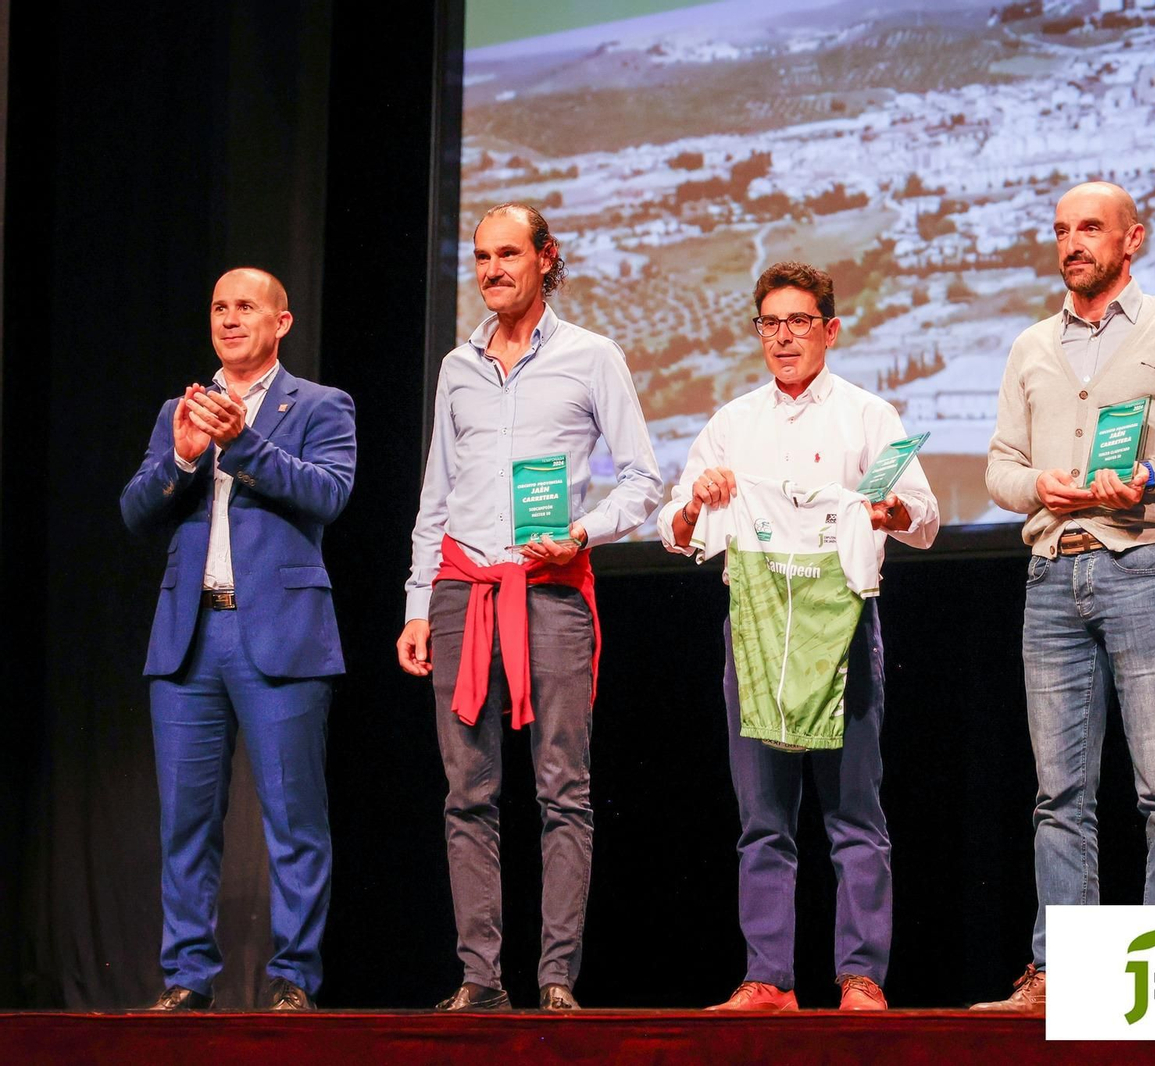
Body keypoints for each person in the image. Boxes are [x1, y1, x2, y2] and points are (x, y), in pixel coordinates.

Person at [975, 183, 1155, 1013]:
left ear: (1134, 238)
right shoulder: (1031, 345)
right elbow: (998, 471)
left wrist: (1152, 476)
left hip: (1144, 565)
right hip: (1053, 571)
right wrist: (1041, 485)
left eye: (1089, 228)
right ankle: (1060, 977)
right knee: (1058, 793)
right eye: (1061, 230)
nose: (1072, 243)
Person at [397, 203, 661, 1011]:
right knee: (466, 794)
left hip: (548, 592)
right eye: (481, 257)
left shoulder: (591, 357)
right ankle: (480, 979)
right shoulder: (457, 367)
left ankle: (554, 979)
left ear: (548, 259)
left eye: (508, 254)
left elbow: (647, 483)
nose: (491, 271)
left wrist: (581, 532)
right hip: (461, 594)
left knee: (562, 791)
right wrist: (416, 603)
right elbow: (434, 496)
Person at [659, 261, 939, 1011]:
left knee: (854, 814)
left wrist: (890, 515)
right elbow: (674, 532)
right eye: (770, 324)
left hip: (841, 627)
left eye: (799, 322)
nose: (783, 338)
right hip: (754, 631)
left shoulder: (868, 417)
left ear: (831, 329)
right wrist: (697, 504)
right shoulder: (732, 424)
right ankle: (767, 978)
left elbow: (925, 516)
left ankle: (861, 976)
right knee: (763, 820)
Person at [121, 267, 356, 1012]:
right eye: (219, 307)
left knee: (295, 822)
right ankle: (189, 977)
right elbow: (134, 511)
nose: (229, 319)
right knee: (186, 824)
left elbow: (329, 494)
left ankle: (293, 980)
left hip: (282, 636)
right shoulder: (179, 410)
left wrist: (245, 444)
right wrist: (186, 455)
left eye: (246, 306)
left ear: (280, 322)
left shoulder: (320, 404)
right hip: (190, 639)